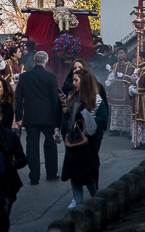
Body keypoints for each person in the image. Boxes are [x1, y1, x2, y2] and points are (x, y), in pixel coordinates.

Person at [61, 69, 107, 208]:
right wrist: (65, 110)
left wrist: (87, 122)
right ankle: (79, 202)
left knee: (87, 174)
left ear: (84, 81)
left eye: (76, 80)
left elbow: (103, 119)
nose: (73, 83)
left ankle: (96, 200)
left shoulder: (96, 99)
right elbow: (67, 121)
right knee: (73, 172)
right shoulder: (72, 97)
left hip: (88, 143)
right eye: (73, 80)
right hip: (74, 141)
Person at [15, 51, 61, 185]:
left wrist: (18, 116)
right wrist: (56, 118)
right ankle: (51, 173)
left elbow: (18, 98)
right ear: (46, 62)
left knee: (32, 146)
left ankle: (34, 176)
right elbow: (54, 99)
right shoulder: (51, 77)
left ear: (34, 61)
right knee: (50, 144)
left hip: (30, 115)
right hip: (48, 116)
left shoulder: (24, 77)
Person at [0, 102, 27, 216]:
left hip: (7, 184)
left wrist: (11, 164)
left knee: (2, 217)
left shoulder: (10, 136)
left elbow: (22, 159)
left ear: (1, 116)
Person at [105, 47, 134, 137]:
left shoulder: (131, 66)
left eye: (121, 53)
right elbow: (111, 76)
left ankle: (125, 129)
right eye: (118, 53)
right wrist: (109, 81)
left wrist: (124, 76)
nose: (120, 55)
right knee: (115, 111)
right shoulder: (115, 65)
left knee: (125, 111)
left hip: (125, 90)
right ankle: (115, 129)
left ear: (126, 53)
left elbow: (132, 78)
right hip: (115, 90)